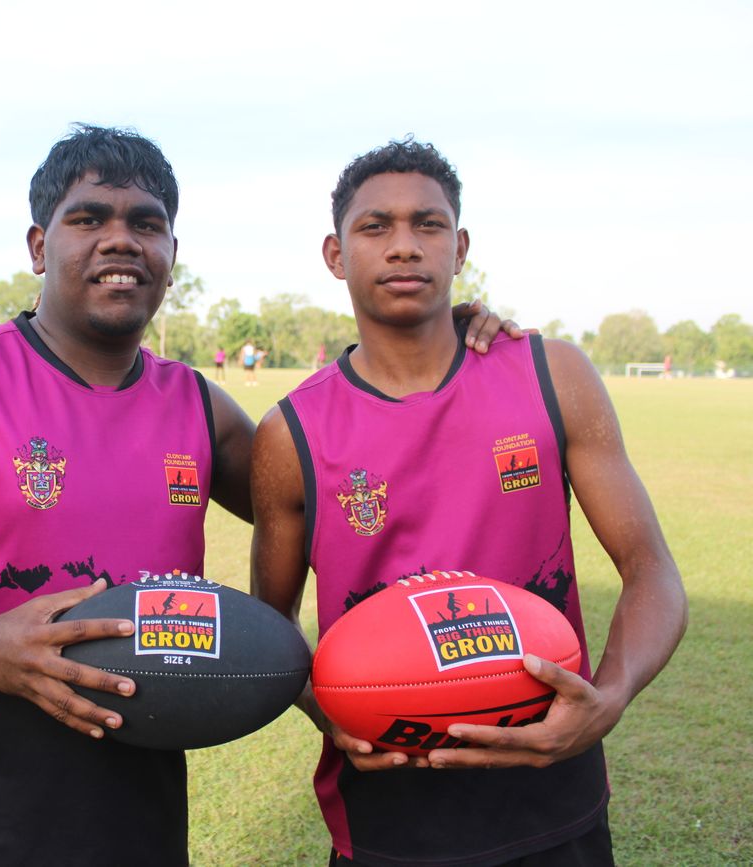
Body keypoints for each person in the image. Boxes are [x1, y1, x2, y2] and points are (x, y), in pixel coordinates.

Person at [0, 126, 519, 866]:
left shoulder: (198, 408)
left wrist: (439, 335)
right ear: (38, 246)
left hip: (146, 825)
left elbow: (343, 490)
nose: (121, 239)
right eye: (89, 218)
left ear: (171, 256)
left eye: (146, 224)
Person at [250, 138, 687, 866]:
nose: (404, 245)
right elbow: (272, 626)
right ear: (335, 254)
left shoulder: (551, 373)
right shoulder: (289, 432)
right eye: (374, 227)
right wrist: (326, 708)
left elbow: (652, 569)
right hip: (389, 817)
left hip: (555, 801)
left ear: (459, 248)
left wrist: (608, 697)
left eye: (428, 224)